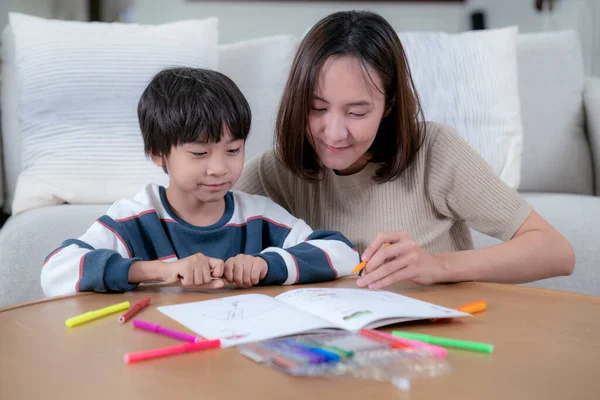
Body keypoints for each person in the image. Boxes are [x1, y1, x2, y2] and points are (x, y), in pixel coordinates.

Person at [236, 10, 575, 290]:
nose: (334, 133)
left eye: (357, 112)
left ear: (389, 105)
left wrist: (438, 265)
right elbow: (188, 213)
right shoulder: (278, 169)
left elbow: (556, 252)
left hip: (434, 345)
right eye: (317, 108)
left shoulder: (435, 151)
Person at [40, 67, 359, 297]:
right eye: (199, 153)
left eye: (233, 150)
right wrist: (161, 271)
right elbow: (56, 271)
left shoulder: (258, 217)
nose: (219, 168)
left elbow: (342, 254)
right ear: (157, 153)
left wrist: (264, 265)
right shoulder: (136, 219)